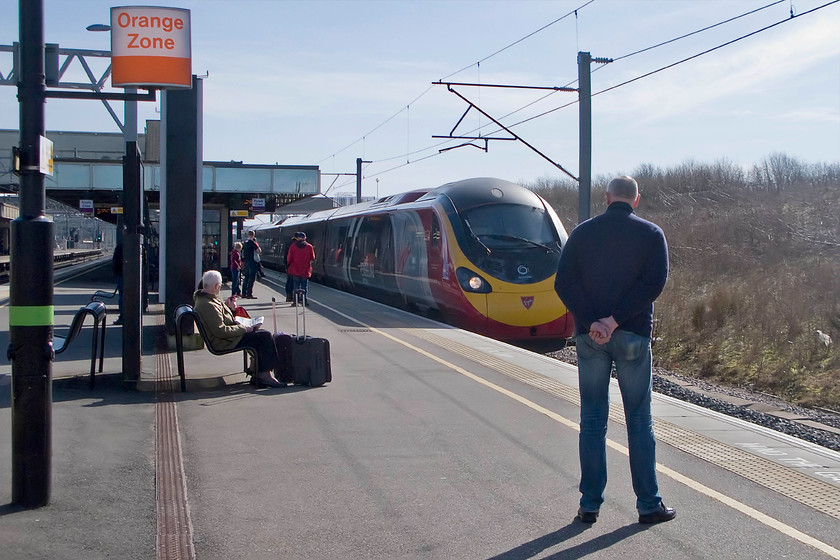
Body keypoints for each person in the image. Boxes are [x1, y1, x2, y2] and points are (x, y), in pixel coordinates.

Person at [554, 175, 675, 525]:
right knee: (639, 420)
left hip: (590, 338)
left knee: (592, 419)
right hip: (634, 336)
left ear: (606, 198)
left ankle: (589, 504)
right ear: (636, 200)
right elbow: (654, 283)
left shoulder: (582, 233)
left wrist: (595, 321)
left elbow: (563, 282)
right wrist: (615, 320)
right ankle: (649, 505)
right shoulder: (652, 234)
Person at [193, 270, 285, 388]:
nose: (219, 289)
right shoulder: (208, 305)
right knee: (265, 336)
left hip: (228, 338)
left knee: (260, 334)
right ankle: (264, 375)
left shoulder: (207, 299)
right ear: (217, 286)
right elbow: (220, 331)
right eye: (219, 286)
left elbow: (219, 320)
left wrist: (230, 308)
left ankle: (259, 372)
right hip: (225, 342)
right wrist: (244, 329)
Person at [286, 231, 315, 306]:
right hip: (305, 270)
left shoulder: (293, 246)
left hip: (295, 270)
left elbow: (289, 258)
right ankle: (304, 301)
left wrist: (288, 265)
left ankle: (295, 301)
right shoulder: (309, 247)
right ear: (305, 238)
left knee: (296, 286)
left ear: (298, 238)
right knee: (304, 286)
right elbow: (313, 258)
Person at [241, 230, 261, 299]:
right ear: (253, 235)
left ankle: (243, 293)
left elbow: (242, 252)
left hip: (246, 262)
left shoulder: (245, 242)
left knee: (246, 277)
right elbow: (259, 251)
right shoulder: (252, 242)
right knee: (251, 278)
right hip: (252, 262)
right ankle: (249, 294)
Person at [112, 240, 123, 325]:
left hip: (122, 274)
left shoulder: (122, 245)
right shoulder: (126, 244)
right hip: (123, 273)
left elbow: (116, 260)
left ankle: (123, 316)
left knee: (122, 296)